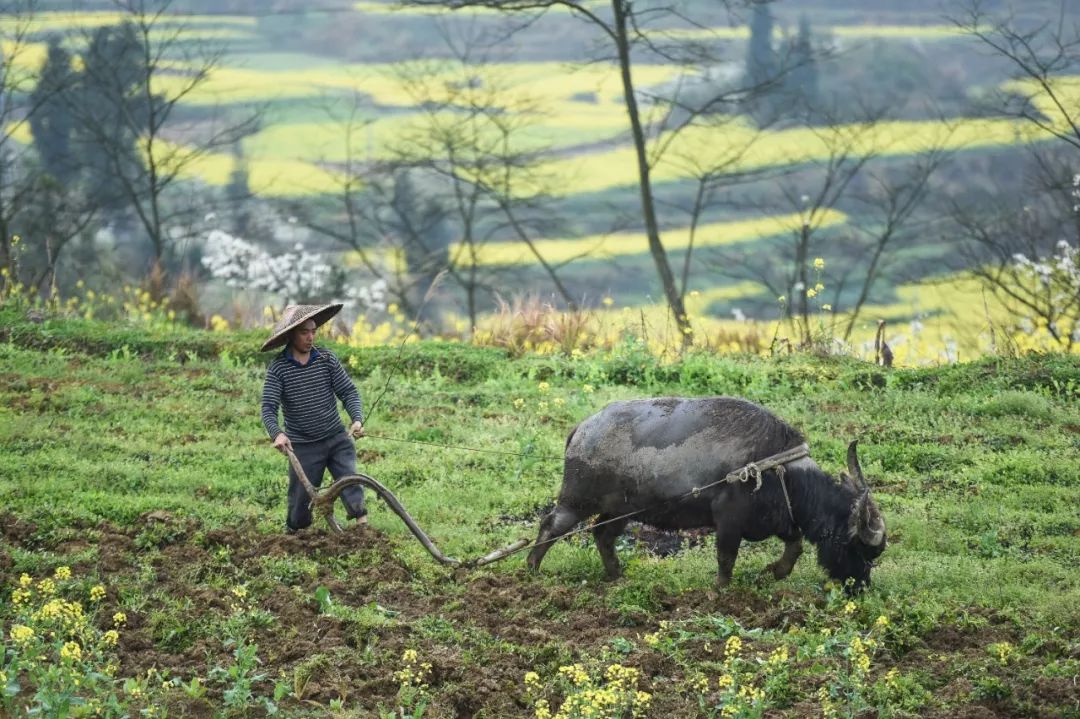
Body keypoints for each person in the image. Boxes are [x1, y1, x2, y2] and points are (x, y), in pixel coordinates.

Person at [260, 303, 368, 532]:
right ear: (291, 335)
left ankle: (363, 530)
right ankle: (297, 537)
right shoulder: (278, 369)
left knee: (351, 481)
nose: (310, 337)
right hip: (303, 446)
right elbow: (268, 407)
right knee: (300, 507)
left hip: (336, 437)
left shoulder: (326, 359)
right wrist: (277, 434)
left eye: (313, 331)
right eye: (303, 332)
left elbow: (348, 392)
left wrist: (357, 419)